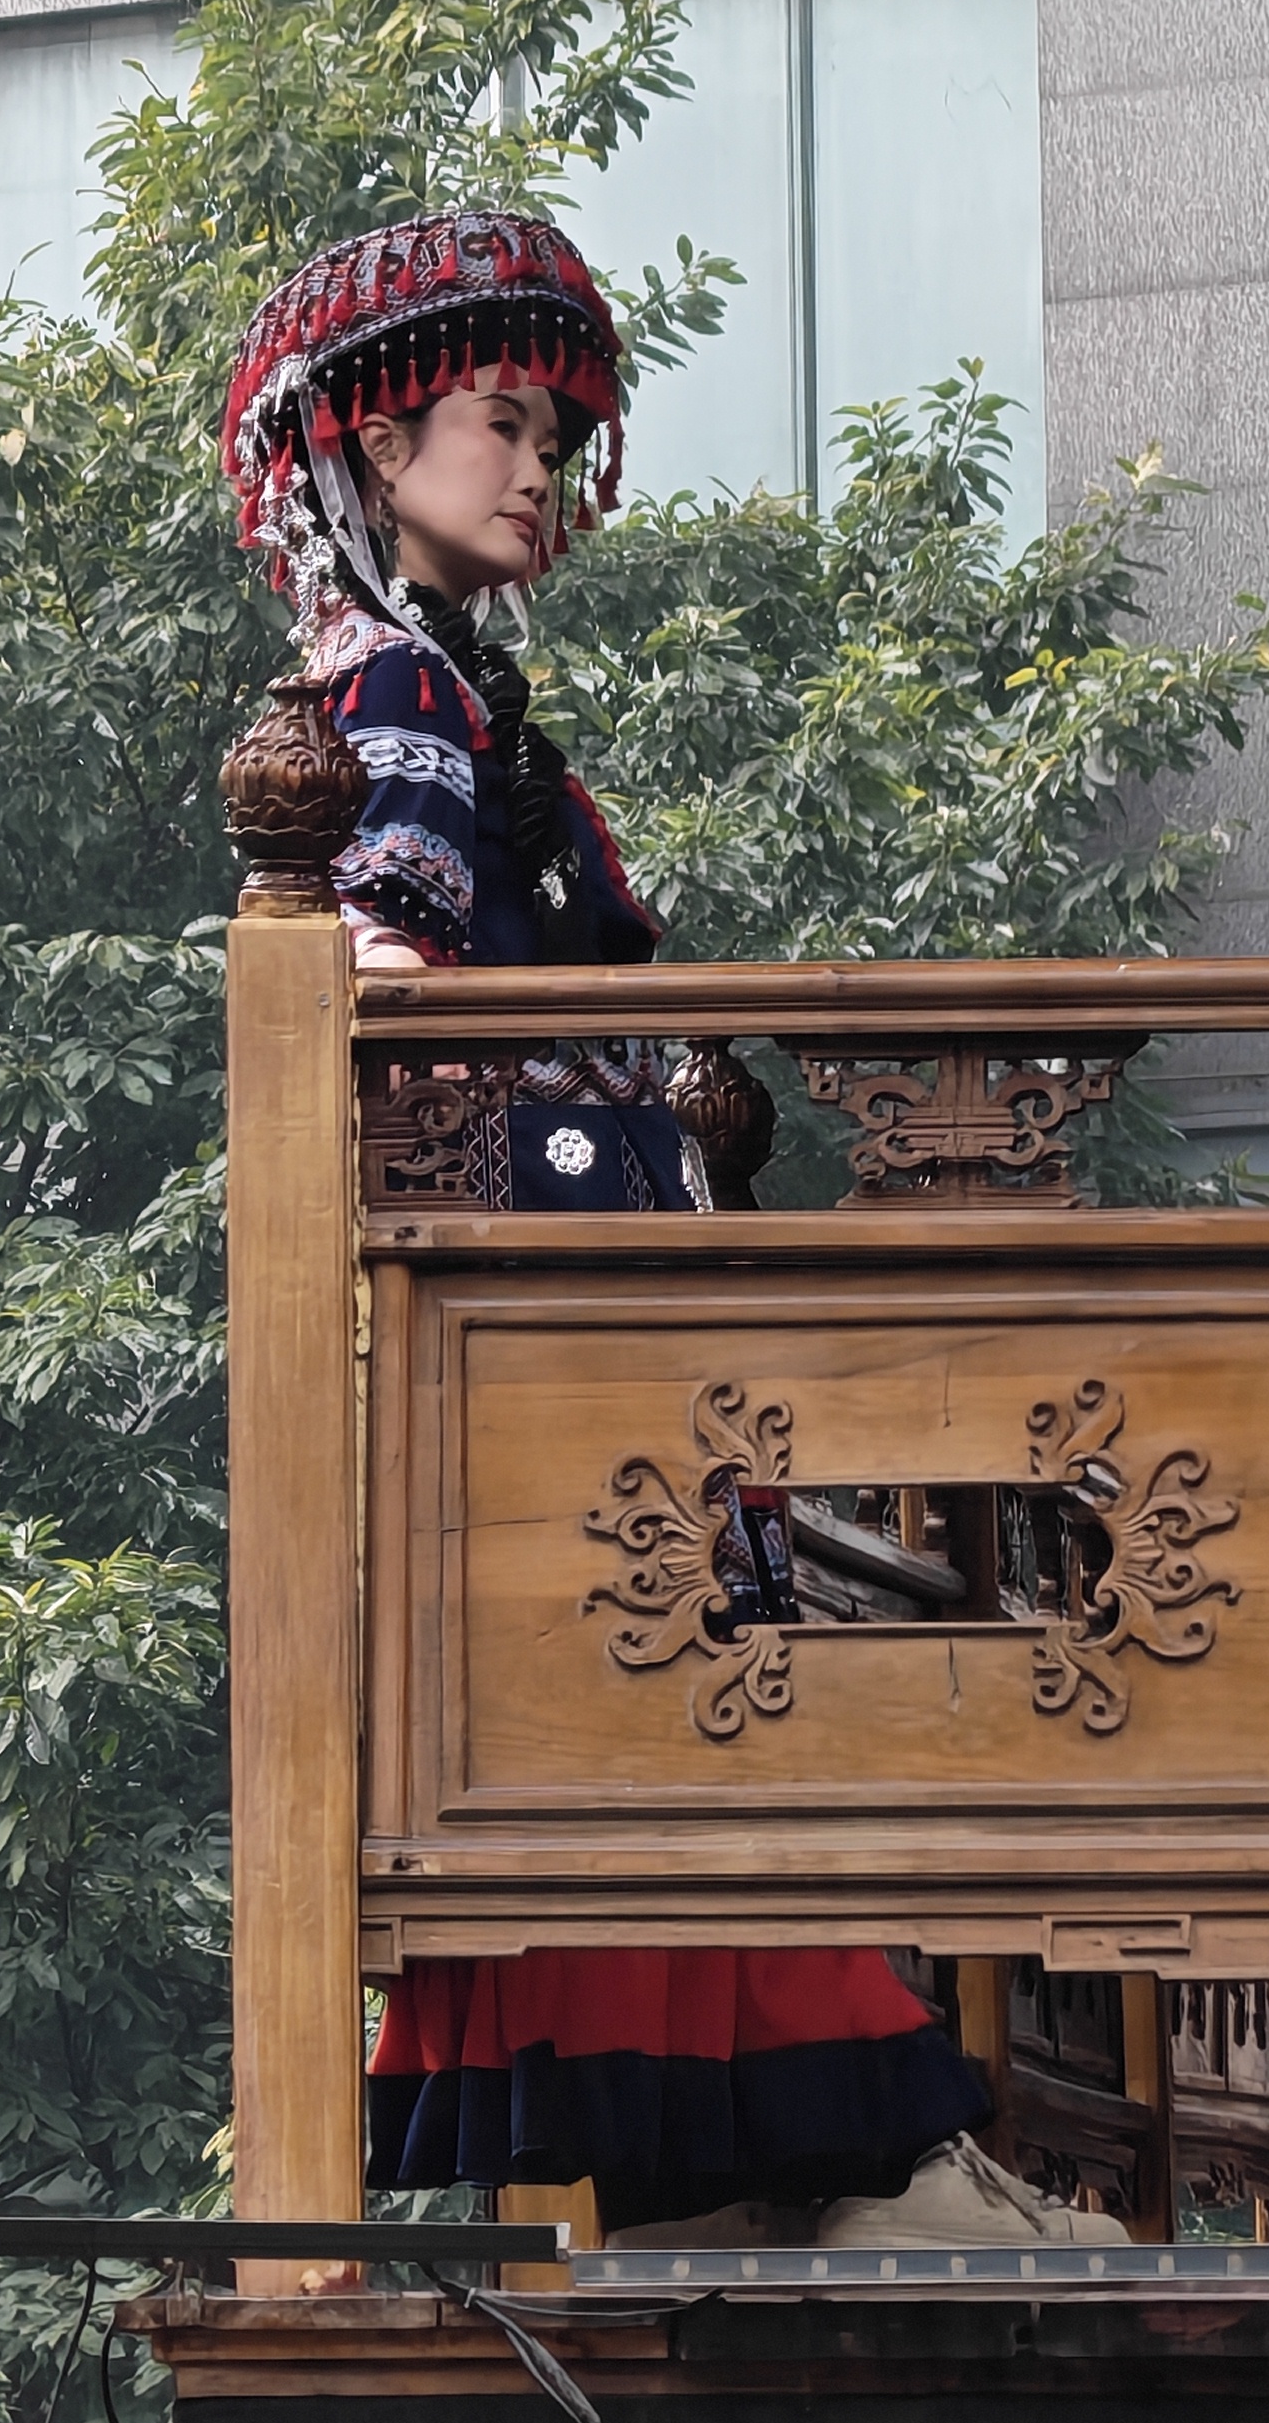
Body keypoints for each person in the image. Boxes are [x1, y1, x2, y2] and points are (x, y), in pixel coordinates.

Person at [223, 208, 1013, 2231]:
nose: (535, 468)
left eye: (553, 434)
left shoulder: (452, 679)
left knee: (650, 1684)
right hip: (544, 1287)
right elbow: (376, 966)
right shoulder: (398, 682)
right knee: (665, 1678)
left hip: (574, 1273)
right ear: (380, 441)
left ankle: (720, 2143)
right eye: (499, 422)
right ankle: (789, 2134)